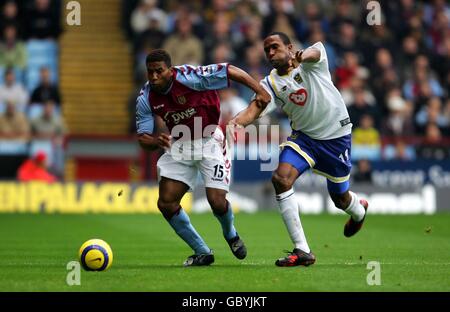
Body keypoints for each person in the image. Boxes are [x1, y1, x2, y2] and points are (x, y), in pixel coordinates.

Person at [229, 32, 369, 267]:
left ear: (289, 47)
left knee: (339, 198)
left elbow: (314, 53)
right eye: (267, 51)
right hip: (304, 139)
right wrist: (236, 123)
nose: (271, 53)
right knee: (280, 179)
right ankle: (303, 250)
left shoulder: (313, 59)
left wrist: (301, 56)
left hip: (336, 137)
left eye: (275, 47)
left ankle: (358, 211)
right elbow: (255, 107)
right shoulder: (270, 83)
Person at [135, 49, 270, 266]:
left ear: (170, 70)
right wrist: (155, 142)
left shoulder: (191, 77)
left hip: (209, 142)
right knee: (166, 203)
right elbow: (142, 137)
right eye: (150, 72)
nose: (153, 77)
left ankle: (231, 235)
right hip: (179, 146)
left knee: (216, 201)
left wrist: (260, 91)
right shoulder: (146, 97)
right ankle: (202, 251)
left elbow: (230, 71)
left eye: (159, 71)